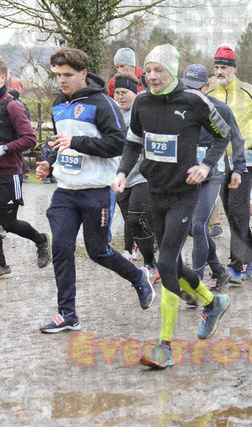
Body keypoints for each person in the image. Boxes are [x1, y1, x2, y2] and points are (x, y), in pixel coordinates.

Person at [112, 45, 232, 368]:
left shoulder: (193, 101)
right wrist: (122, 172)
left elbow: (223, 134)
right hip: (155, 192)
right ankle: (213, 302)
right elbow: (133, 143)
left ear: (172, 71)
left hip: (184, 193)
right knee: (174, 266)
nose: (151, 76)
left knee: (165, 262)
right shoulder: (141, 102)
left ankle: (164, 346)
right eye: (148, 70)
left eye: (159, 71)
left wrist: (206, 166)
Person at [36, 47, 154, 333]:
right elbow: (57, 141)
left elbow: (118, 144)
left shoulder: (103, 103)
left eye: (67, 75)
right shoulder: (58, 103)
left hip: (96, 190)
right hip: (65, 191)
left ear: (83, 73)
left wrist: (76, 142)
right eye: (58, 75)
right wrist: (48, 162)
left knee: (97, 251)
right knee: (61, 247)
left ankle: (138, 277)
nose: (61, 81)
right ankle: (67, 314)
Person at [0, 58, 51, 280]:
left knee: (9, 223)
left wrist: (4, 148)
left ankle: (41, 240)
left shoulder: (13, 106)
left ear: (3, 78)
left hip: (7, 175)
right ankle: (0, 265)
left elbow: (30, 139)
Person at [208, 46, 252, 282]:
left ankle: (236, 266)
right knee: (231, 212)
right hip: (220, 160)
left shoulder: (250, 92)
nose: (220, 72)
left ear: (234, 69)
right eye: (217, 67)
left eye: (224, 67)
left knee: (238, 208)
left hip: (246, 159)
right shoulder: (210, 93)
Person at [183, 63, 244, 294]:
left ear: (206, 86)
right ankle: (218, 270)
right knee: (193, 228)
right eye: (187, 87)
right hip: (186, 174)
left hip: (212, 173)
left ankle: (196, 283)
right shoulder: (178, 108)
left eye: (196, 88)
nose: (191, 92)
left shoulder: (220, 109)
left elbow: (236, 139)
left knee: (199, 225)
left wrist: (238, 169)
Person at [112, 72, 158, 277]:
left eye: (125, 92)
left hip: (142, 174)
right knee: (132, 221)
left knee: (136, 218)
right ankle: (147, 254)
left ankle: (151, 262)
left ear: (134, 92)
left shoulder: (141, 111)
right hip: (122, 176)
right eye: (117, 93)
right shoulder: (113, 114)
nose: (121, 97)